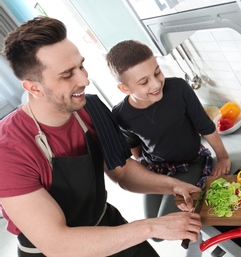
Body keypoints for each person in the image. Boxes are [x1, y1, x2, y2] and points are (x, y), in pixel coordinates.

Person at [0, 16, 202, 257]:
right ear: (34, 88)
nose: (84, 80)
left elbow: (123, 171)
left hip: (106, 224)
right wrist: (151, 226)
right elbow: (58, 244)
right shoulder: (8, 151)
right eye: (67, 75)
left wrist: (174, 186)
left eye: (81, 66)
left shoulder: (91, 108)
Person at [105, 40, 231, 253]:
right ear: (124, 88)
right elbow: (133, 145)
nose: (155, 84)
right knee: (156, 235)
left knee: (167, 225)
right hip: (156, 168)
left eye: (157, 73)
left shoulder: (179, 88)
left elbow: (205, 126)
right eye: (144, 82)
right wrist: (143, 165)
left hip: (190, 162)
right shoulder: (120, 114)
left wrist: (224, 157)